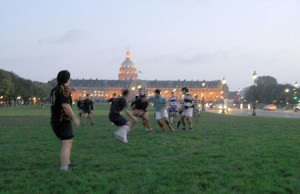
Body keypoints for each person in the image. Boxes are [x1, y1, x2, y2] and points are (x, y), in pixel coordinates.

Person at [50, 70, 80, 171]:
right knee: (67, 143)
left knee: (66, 142)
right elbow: (65, 106)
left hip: (55, 120)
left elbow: (59, 99)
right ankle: (64, 168)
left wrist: (71, 92)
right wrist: (74, 118)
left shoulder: (54, 89)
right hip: (63, 120)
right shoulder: (65, 89)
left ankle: (66, 161)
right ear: (68, 79)